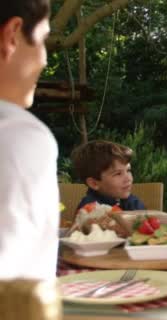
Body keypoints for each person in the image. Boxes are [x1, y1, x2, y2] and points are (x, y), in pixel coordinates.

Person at [0, 0, 57, 280]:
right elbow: (15, 292)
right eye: (43, 39)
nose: (45, 58)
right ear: (12, 35)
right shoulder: (16, 134)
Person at [71, 140, 145, 211]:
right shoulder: (90, 210)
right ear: (94, 183)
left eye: (128, 170)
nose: (128, 178)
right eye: (118, 173)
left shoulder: (133, 202)